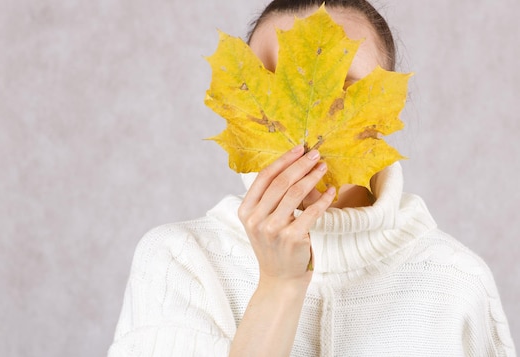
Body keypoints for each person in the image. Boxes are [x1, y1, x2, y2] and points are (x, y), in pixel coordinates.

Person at [109, 0, 516, 356]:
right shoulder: (179, 260)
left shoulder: (459, 281)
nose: (304, 134)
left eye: (343, 92)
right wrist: (278, 285)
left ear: (389, 112)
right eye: (274, 90)